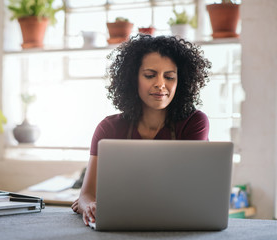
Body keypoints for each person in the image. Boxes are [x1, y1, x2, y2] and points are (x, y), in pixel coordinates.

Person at [71, 34, 212, 226]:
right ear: (133, 78)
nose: (160, 84)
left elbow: (191, 193)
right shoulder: (109, 128)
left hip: (174, 224)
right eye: (150, 75)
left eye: (169, 77)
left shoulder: (194, 123)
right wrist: (89, 206)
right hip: (121, 224)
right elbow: (86, 194)